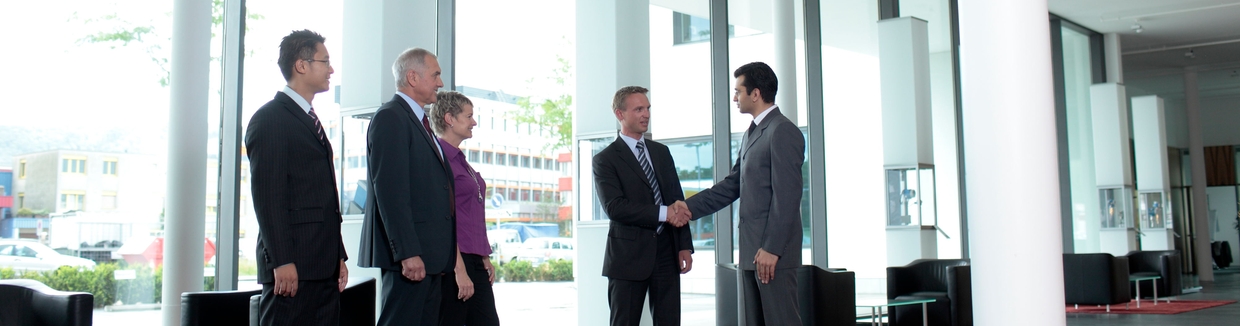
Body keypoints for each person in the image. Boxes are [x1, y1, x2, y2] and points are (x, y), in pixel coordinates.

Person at [671, 62, 805, 325]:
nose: (735, 97)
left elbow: (788, 197)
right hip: (752, 253)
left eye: (738, 91)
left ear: (755, 93)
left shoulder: (782, 130)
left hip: (771, 255)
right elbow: (732, 186)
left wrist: (772, 249)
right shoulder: (752, 134)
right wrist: (688, 207)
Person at [244, 29, 349, 326]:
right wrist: (282, 259)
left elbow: (323, 196)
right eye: (324, 61)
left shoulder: (308, 119)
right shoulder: (270, 119)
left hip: (322, 265)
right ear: (301, 65)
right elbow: (269, 198)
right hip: (293, 267)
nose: (331, 69)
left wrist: (337, 255)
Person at [357, 47, 455, 326]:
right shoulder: (391, 117)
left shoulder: (419, 122)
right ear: (413, 77)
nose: (441, 82)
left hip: (430, 258)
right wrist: (408, 252)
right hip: (410, 258)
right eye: (435, 74)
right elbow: (391, 192)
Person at [593, 86, 694, 326]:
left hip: (667, 254)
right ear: (620, 114)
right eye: (638, 109)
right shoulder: (605, 159)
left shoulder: (661, 152)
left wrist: (684, 246)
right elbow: (615, 207)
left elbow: (675, 199)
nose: (646, 114)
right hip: (627, 259)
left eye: (647, 108)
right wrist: (663, 213)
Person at [428, 91, 501, 326]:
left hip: (474, 259)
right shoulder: (439, 160)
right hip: (455, 260)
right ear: (449, 119)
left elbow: (471, 213)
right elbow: (443, 220)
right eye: (469, 116)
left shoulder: (460, 159)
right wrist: (459, 268)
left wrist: (483, 257)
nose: (474, 122)